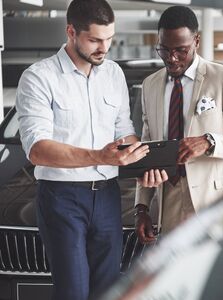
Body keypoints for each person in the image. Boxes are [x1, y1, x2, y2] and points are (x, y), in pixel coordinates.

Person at [15, 0, 167, 299]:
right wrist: (100, 156)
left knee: (108, 291)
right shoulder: (38, 77)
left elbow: (124, 131)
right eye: (95, 39)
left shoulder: (113, 74)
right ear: (71, 32)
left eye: (109, 39)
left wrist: (143, 163)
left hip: (108, 197)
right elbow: (37, 149)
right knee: (73, 291)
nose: (104, 47)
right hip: (63, 199)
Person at [134, 6, 223, 242]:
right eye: (164, 49)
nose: (172, 58)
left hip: (219, 201)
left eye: (181, 50)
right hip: (169, 202)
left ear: (196, 41)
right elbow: (147, 149)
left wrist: (209, 142)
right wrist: (142, 208)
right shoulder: (150, 85)